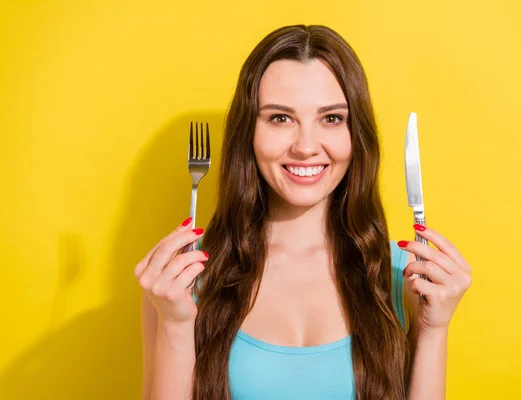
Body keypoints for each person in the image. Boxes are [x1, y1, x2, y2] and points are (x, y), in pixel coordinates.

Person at [135, 24, 472, 400]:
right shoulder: (179, 282)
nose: (306, 147)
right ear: (249, 132)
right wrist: (176, 326)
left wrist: (434, 329)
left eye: (331, 118)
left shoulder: (405, 277)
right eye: (281, 118)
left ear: (355, 135)